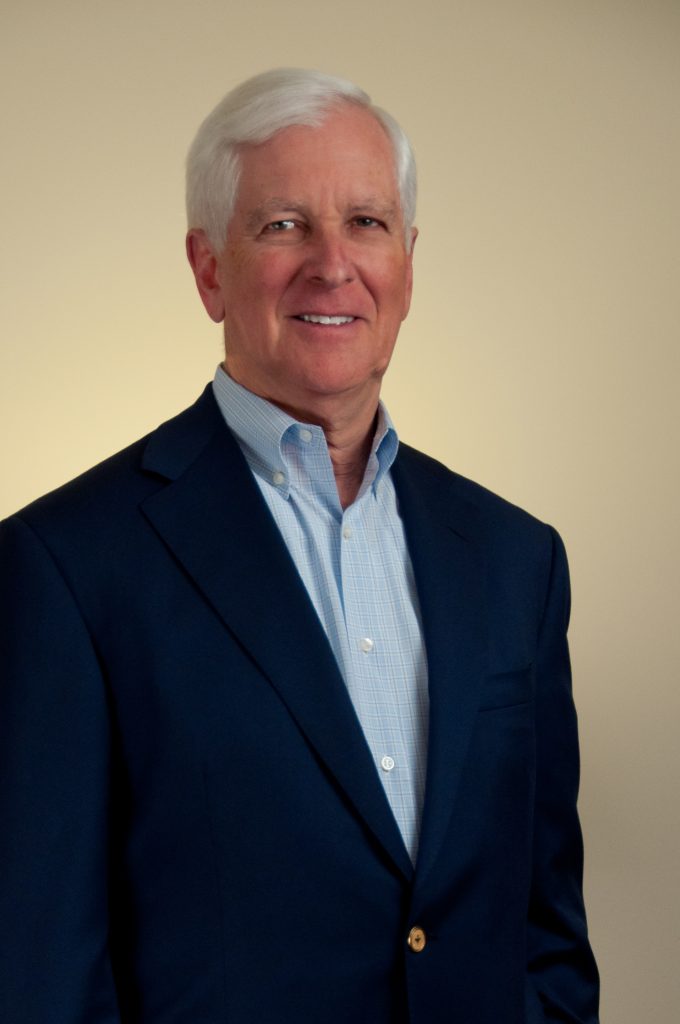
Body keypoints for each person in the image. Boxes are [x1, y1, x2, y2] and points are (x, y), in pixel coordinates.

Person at [0, 68, 599, 1023]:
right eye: (283, 225)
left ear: (408, 261)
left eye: (366, 222)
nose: (332, 264)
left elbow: (547, 935)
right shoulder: (65, 566)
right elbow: (40, 972)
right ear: (209, 269)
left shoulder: (515, 560)